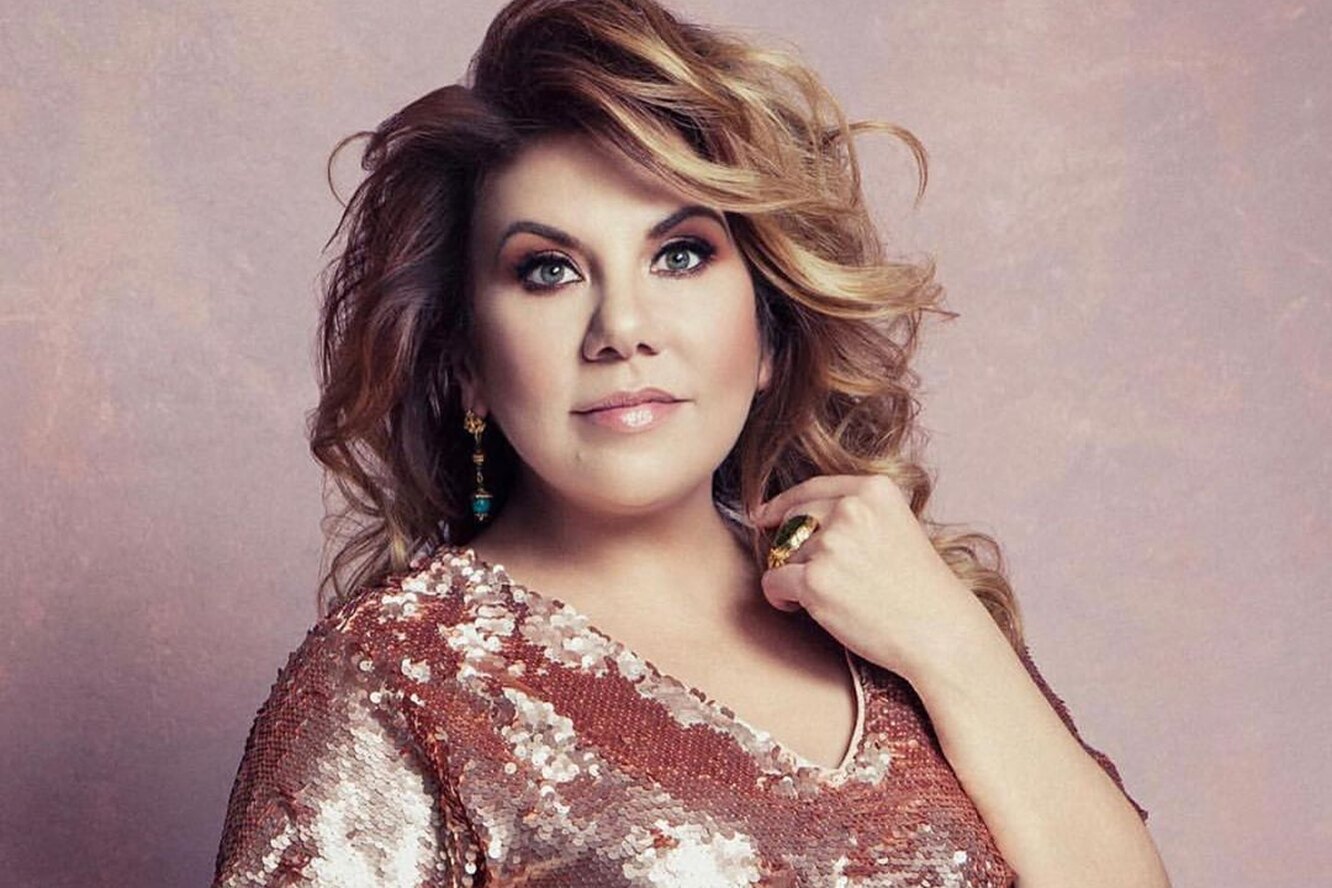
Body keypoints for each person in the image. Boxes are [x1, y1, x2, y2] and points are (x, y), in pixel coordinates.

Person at [211, 0, 1170, 885]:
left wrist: (949, 639)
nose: (622, 328)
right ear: (465, 362)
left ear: (768, 332)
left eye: (680, 255)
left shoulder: (897, 605)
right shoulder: (396, 677)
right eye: (548, 271)